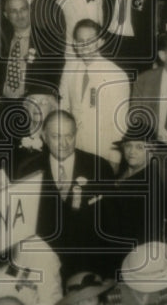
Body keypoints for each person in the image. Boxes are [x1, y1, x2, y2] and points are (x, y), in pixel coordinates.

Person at [34, 110, 115, 278]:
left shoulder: (99, 167)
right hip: (45, 268)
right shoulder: (28, 169)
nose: (64, 143)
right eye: (56, 136)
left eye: (69, 136)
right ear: (44, 136)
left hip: (90, 267)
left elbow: (112, 225)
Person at [59, 19, 129, 169]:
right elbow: (63, 107)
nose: (84, 46)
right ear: (75, 44)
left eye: (90, 41)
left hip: (101, 151)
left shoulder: (117, 75)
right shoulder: (69, 68)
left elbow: (120, 123)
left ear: (100, 42)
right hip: (73, 147)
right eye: (80, 41)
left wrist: (115, 159)